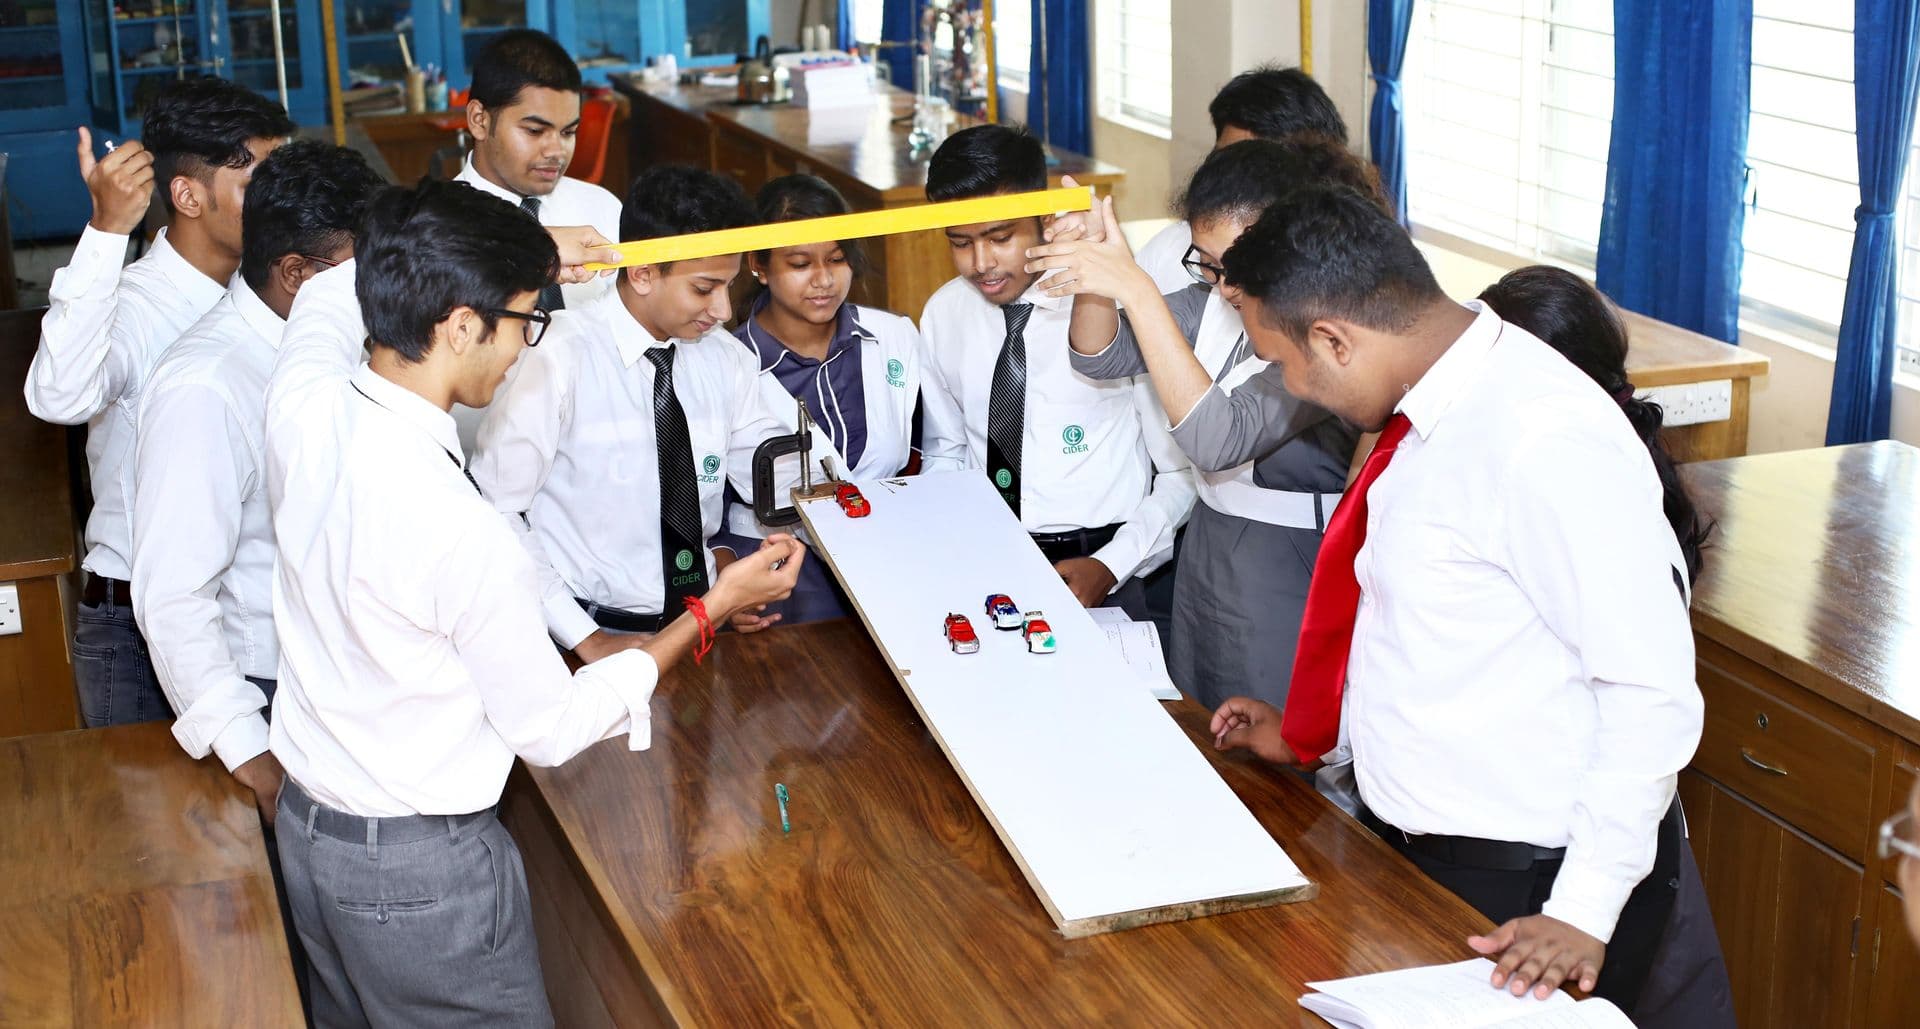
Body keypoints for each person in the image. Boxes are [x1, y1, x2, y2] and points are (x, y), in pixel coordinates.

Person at [263, 178, 804, 1025]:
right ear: (461, 326)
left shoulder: (302, 404)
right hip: (421, 874)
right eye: (524, 318)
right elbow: (550, 726)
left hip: (311, 833)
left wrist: (533, 255)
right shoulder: (463, 529)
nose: (527, 344)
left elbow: (334, 292)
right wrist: (711, 608)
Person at [1207, 185, 1702, 1011]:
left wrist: (1580, 912)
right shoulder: (1440, 396)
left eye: (1282, 361)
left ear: (1334, 338)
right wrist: (1313, 739)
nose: (1289, 382)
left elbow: (1649, 689)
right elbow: (1431, 629)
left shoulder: (1541, 436)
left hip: (1527, 894)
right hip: (1417, 855)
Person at [1028, 138, 1378, 711]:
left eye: (1234, 265)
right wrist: (1096, 270)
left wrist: (1135, 287)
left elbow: (1220, 440)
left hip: (1286, 564)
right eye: (1207, 264)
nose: (1222, 286)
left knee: (1269, 736)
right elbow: (1100, 355)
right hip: (1208, 552)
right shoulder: (1211, 303)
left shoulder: (1325, 330)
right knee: (1197, 720)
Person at [1479, 266, 1729, 1029]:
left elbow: (1649, 704)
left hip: (1596, 853)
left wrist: (1582, 902)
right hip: (1579, 835)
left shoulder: (1582, 487)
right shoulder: (1543, 457)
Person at [23, 76, 293, 727]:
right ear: (188, 195)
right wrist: (107, 228)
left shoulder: (278, 295)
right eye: (261, 183)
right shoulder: (137, 305)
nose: (286, 202)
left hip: (253, 619)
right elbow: (59, 394)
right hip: (136, 634)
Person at [131, 141, 383, 821]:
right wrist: (253, 757)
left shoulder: (337, 348)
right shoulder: (207, 386)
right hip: (271, 697)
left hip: (346, 682)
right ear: (297, 273)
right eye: (364, 272)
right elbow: (173, 595)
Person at [473, 165, 814, 652]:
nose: (722, 310)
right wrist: (585, 639)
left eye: (729, 285)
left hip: (703, 624)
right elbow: (497, 514)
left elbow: (773, 474)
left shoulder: (726, 359)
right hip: (587, 638)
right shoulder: (556, 357)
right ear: (643, 271)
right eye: (703, 288)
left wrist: (766, 550)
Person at [917, 124, 1195, 616]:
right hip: (988, 555)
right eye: (960, 242)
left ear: (1045, 219)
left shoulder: (1107, 304)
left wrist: (1111, 564)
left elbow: (1178, 473)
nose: (982, 263)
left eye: (1000, 237)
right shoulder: (944, 313)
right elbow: (948, 451)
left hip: (1104, 564)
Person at [717, 174, 925, 624]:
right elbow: (702, 497)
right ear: (758, 265)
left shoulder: (893, 338)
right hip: (775, 574)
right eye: (799, 263)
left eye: (837, 258)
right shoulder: (724, 364)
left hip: (890, 562)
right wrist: (725, 578)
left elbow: (931, 454)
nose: (824, 280)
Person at [1134, 65, 1348, 294]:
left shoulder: (1336, 282)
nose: (1235, 177)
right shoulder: (1174, 247)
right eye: (1226, 159)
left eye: (1259, 167)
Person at [458, 28, 621, 309]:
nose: (556, 151)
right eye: (534, 131)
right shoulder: (436, 232)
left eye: (568, 132)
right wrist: (531, 251)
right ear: (479, 120)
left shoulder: (601, 208)